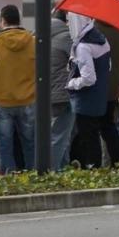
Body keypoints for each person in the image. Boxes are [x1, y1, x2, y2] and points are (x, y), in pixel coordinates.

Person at [0, 5, 36, 173]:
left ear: (2, 21)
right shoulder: (32, 40)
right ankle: (33, 177)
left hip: (2, 101)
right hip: (28, 100)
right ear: (19, 20)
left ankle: (9, 178)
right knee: (30, 144)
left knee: (4, 145)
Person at [67, 13, 112, 169]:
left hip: (85, 100)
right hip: (99, 97)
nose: (68, 25)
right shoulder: (100, 39)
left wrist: (72, 83)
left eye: (69, 21)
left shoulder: (83, 46)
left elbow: (89, 78)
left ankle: (91, 167)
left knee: (87, 137)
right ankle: (95, 167)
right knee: (93, 136)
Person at [95, 21, 119, 166]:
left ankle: (105, 162)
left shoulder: (94, 30)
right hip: (113, 84)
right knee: (108, 125)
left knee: (94, 128)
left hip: (96, 85)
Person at [50, 9, 75, 170]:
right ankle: (51, 170)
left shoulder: (37, 36)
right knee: (60, 136)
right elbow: (77, 61)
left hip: (43, 93)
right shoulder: (67, 37)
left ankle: (62, 168)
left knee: (58, 135)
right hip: (64, 94)